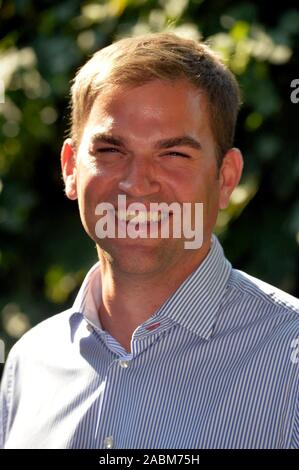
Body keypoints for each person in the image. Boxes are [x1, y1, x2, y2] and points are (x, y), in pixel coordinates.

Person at [0, 32, 298, 450]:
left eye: (173, 154)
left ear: (225, 178)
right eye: (110, 150)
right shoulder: (29, 364)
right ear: (70, 168)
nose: (136, 185)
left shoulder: (291, 359)